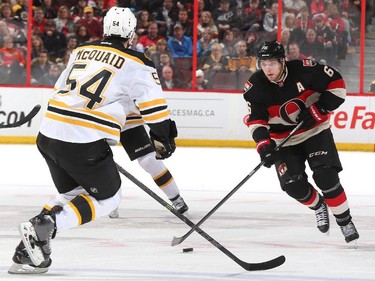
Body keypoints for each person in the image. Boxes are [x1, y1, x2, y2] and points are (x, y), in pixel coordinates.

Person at [9, 7, 178, 274]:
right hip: (82, 139)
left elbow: (60, 89)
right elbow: (156, 110)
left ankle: (26, 251)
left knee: (71, 194)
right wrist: (163, 138)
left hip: (48, 133)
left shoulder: (80, 52)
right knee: (109, 198)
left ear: (105, 29)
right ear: (131, 35)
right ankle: (47, 226)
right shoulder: (138, 62)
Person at [243, 40, 359, 246]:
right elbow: (256, 121)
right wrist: (264, 145)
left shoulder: (306, 70)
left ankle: (345, 222)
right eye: (263, 63)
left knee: (325, 175)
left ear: (282, 61)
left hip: (316, 132)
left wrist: (318, 110)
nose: (267, 68)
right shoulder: (255, 86)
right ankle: (318, 206)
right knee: (292, 185)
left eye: (272, 63)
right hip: (283, 141)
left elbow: (338, 86)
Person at [108, 107, 189, 219]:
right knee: (98, 161)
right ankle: (109, 201)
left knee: (149, 161)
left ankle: (176, 198)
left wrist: (161, 129)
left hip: (127, 117)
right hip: (96, 116)